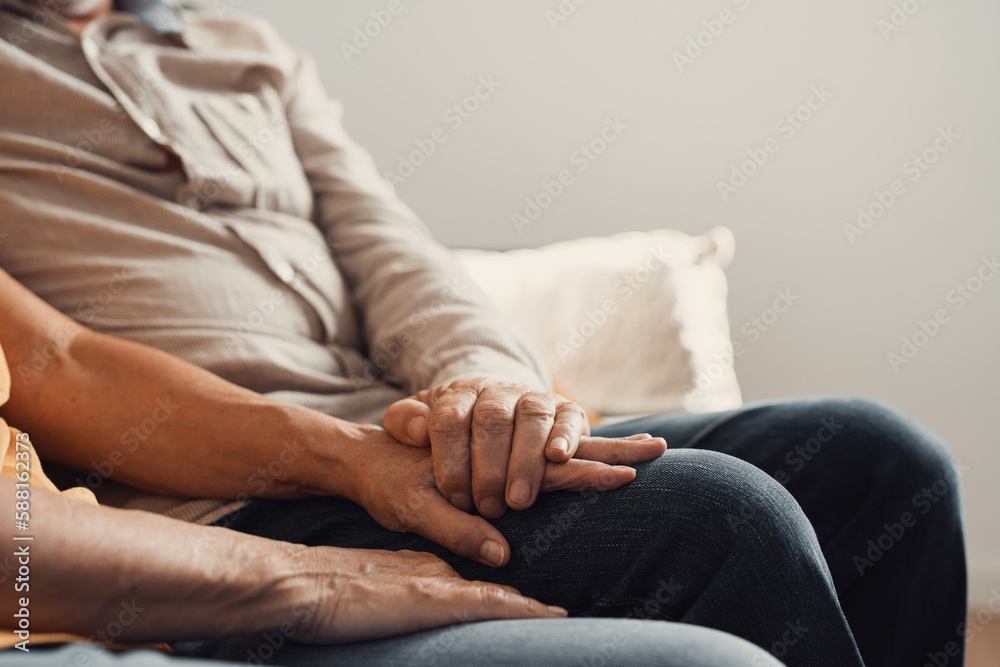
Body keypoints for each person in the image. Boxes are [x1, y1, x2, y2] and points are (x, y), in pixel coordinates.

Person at [0, 1, 966, 665]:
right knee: (721, 513)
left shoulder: (243, 48)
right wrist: (344, 460)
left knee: (879, 459)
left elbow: (395, 251)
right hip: (227, 490)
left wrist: (484, 385)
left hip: (395, 434)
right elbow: (56, 366)